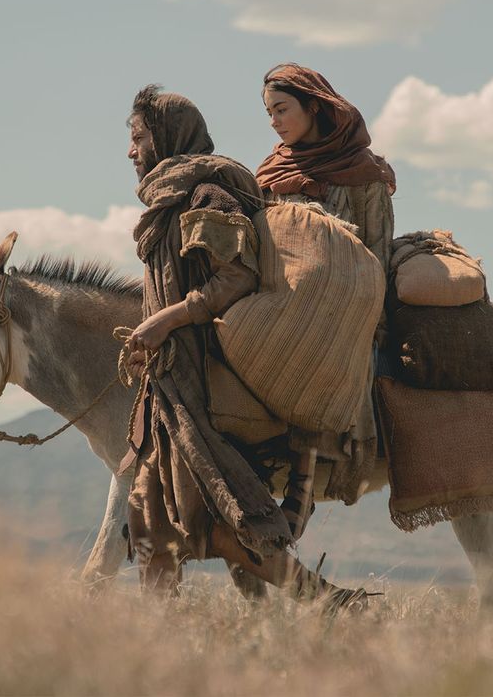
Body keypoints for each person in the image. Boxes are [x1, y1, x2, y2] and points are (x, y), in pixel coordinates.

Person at [120, 83, 364, 607]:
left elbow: (236, 278)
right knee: (147, 518)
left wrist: (166, 320)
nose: (131, 150)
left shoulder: (208, 192)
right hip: (169, 382)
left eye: (138, 137)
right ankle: (157, 643)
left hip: (206, 381)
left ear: (165, 135)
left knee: (207, 526)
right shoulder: (168, 199)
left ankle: (332, 602)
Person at [255, 63, 398, 534]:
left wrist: (362, 313)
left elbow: (377, 250)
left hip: (348, 307)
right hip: (277, 302)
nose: (275, 121)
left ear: (314, 106)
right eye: (269, 113)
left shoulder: (364, 174)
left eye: (282, 109)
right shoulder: (271, 173)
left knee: (320, 354)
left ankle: (303, 479)